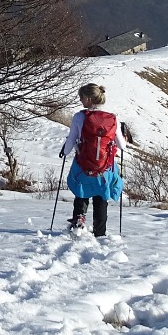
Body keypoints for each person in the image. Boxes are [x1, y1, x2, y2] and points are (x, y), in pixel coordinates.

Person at [59, 82, 127, 237]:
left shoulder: (79, 117)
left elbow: (71, 139)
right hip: (105, 167)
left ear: (89, 99)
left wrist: (64, 151)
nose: (80, 100)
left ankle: (79, 220)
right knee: (101, 196)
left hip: (83, 163)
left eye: (81, 97)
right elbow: (121, 146)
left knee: (81, 191)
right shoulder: (112, 118)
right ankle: (100, 232)